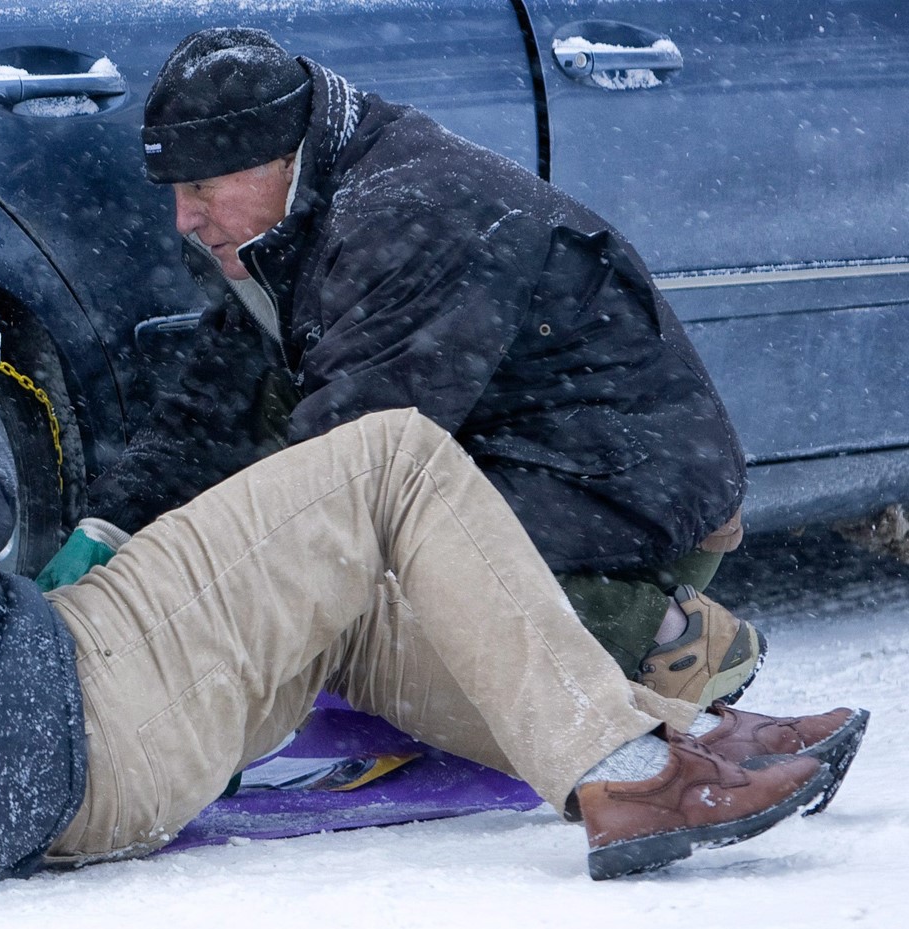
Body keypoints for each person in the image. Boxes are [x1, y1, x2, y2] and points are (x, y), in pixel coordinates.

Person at [0, 412, 866, 891]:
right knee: (393, 465)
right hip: (90, 692)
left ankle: (664, 736)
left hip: (45, 798)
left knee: (347, 595)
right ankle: (623, 773)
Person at [55, 28, 758, 709]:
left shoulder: (409, 217)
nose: (184, 218)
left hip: (623, 491)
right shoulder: (295, 213)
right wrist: (113, 525)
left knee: (369, 576)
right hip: (523, 457)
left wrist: (192, 611)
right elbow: (215, 403)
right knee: (277, 439)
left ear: (277, 160)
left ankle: (661, 637)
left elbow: (345, 483)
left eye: (202, 187)